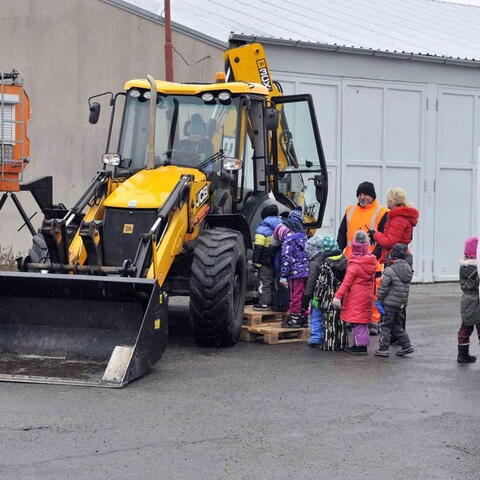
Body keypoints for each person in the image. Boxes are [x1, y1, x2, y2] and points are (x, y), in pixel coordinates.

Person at [337, 181, 389, 331]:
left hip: (372, 262)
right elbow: (342, 234)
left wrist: (375, 256)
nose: (362, 197)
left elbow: (383, 237)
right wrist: (336, 252)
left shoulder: (382, 212)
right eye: (359, 194)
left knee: (372, 293)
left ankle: (373, 320)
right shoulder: (350, 210)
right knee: (350, 291)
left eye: (365, 194)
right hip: (350, 260)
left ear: (372, 195)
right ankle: (350, 319)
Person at [332, 230, 377, 355]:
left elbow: (346, 283)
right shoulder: (370, 262)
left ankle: (360, 346)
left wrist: (337, 296)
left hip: (355, 297)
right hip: (366, 295)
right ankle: (359, 344)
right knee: (361, 321)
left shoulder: (354, 266)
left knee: (358, 322)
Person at [302, 236, 347, 347]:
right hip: (337, 294)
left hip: (319, 295)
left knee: (316, 314)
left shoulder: (318, 262)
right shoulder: (344, 260)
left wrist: (306, 297)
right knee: (333, 317)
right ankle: (332, 337)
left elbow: (311, 281)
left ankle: (316, 338)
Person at [374, 243, 415, 357]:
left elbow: (383, 287)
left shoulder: (389, 270)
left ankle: (383, 348)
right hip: (401, 304)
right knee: (397, 326)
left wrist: (379, 299)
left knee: (385, 326)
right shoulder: (408, 269)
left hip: (389, 304)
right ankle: (406, 345)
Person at [274, 208, 309, 328]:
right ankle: (304, 317)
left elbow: (286, 259)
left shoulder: (288, 240)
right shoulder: (303, 237)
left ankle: (294, 318)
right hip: (305, 272)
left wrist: (283, 275)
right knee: (304, 294)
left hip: (295, 273)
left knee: (295, 295)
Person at [368, 187, 419, 265]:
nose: (387, 201)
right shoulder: (400, 216)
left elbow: (389, 242)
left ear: (392, 201)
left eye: (388, 199)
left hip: (394, 260)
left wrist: (375, 234)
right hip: (398, 258)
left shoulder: (398, 219)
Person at [252, 205, 282, 310]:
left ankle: (264, 303)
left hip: (266, 260)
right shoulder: (281, 225)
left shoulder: (262, 228)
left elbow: (259, 247)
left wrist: (255, 261)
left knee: (265, 282)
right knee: (277, 282)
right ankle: (276, 303)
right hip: (279, 260)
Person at [457, 237, 480, 363]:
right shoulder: (476, 268)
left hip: (466, 300)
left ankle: (462, 354)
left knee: (465, 328)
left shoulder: (463, 266)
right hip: (477, 300)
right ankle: (463, 355)